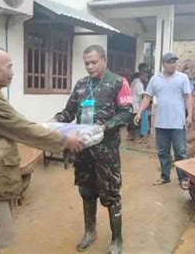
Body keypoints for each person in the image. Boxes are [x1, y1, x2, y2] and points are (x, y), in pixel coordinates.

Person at [0, 46, 81, 254]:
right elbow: (22, 128)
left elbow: (17, 124)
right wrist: (63, 140)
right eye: (9, 66)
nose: (12, 72)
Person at [54, 45, 132, 254]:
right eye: (86, 63)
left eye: (93, 62)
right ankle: (90, 232)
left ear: (104, 60)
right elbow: (69, 112)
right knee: (86, 191)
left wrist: (106, 126)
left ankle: (117, 239)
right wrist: (53, 122)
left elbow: (126, 113)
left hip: (106, 150)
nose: (89, 67)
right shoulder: (81, 85)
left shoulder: (118, 82)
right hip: (83, 149)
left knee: (111, 193)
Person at [134, 52, 193, 190]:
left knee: (180, 152)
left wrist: (189, 115)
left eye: (174, 61)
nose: (173, 64)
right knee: (163, 152)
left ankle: (183, 178)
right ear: (163, 64)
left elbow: (188, 97)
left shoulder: (182, 78)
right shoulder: (155, 79)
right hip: (161, 123)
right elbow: (147, 97)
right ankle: (165, 176)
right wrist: (139, 112)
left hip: (178, 122)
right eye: (170, 62)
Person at [127, 68, 148, 143]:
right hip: (136, 104)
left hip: (131, 103)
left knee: (131, 121)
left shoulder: (134, 81)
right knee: (137, 121)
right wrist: (149, 95)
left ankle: (130, 135)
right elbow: (141, 93)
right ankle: (137, 138)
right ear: (141, 75)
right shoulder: (139, 83)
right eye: (145, 75)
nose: (146, 77)